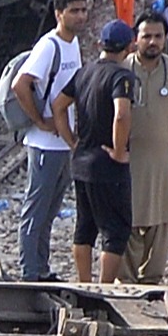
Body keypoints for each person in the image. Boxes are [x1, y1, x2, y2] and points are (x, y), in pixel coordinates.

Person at [12, 0, 92, 280]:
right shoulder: (50, 45)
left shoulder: (74, 44)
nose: (81, 16)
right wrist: (40, 120)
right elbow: (21, 85)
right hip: (45, 145)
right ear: (59, 14)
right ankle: (29, 271)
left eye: (83, 10)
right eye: (74, 11)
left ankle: (41, 268)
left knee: (50, 210)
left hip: (63, 143)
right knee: (36, 208)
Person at [120, 10, 168, 282]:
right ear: (135, 39)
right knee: (129, 216)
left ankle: (152, 277)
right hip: (129, 157)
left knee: (160, 218)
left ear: (165, 38)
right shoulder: (123, 69)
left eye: (158, 36)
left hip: (162, 157)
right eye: (146, 36)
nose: (152, 42)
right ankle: (125, 279)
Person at [64, 19, 137, 282]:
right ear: (129, 47)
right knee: (115, 230)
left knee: (84, 227)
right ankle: (104, 289)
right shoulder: (122, 76)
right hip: (107, 165)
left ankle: (84, 283)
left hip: (81, 161)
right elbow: (121, 114)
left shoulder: (84, 72)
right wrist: (119, 151)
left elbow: (60, 105)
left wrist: (71, 139)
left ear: (100, 44)